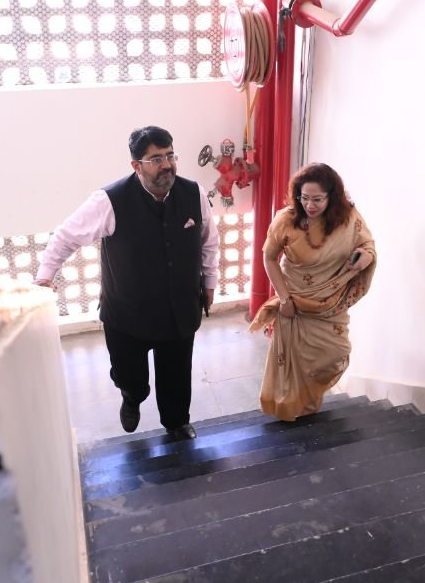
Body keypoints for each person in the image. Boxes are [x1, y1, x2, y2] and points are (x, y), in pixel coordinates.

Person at [36, 126, 218, 439]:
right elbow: (65, 237)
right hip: (127, 312)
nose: (167, 165)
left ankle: (176, 423)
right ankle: (132, 397)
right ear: (136, 165)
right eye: (156, 159)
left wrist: (210, 282)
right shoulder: (109, 201)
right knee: (130, 376)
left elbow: (208, 241)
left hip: (179, 307)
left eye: (170, 155)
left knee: (176, 373)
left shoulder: (193, 193)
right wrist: (44, 276)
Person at [248, 162, 377, 420]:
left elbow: (367, 244)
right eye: (304, 198)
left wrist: (365, 256)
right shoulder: (286, 220)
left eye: (317, 199)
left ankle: (307, 403)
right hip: (294, 302)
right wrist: (284, 299)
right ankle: (295, 409)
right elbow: (269, 258)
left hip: (331, 303)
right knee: (294, 362)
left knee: (336, 353)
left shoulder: (348, 218)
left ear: (332, 197)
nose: (310, 205)